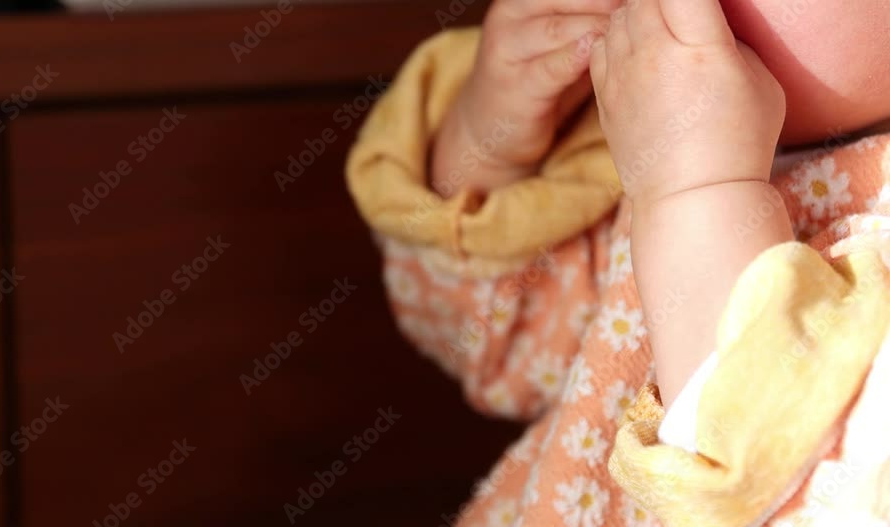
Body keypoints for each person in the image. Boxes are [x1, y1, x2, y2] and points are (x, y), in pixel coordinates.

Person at [346, 0, 890, 524]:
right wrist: (488, 146)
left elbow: (832, 498)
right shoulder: (645, 137)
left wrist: (697, 192)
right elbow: (493, 349)